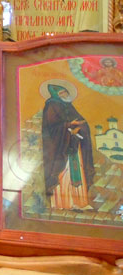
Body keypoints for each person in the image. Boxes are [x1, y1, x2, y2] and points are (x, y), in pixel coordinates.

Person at [41, 81, 94, 210]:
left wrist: (80, 127)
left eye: (65, 92)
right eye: (61, 93)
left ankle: (80, 203)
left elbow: (81, 122)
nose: (65, 94)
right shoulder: (51, 105)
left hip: (74, 145)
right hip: (60, 147)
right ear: (56, 95)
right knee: (63, 173)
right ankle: (62, 203)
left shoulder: (69, 106)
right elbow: (51, 127)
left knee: (77, 172)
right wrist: (69, 126)